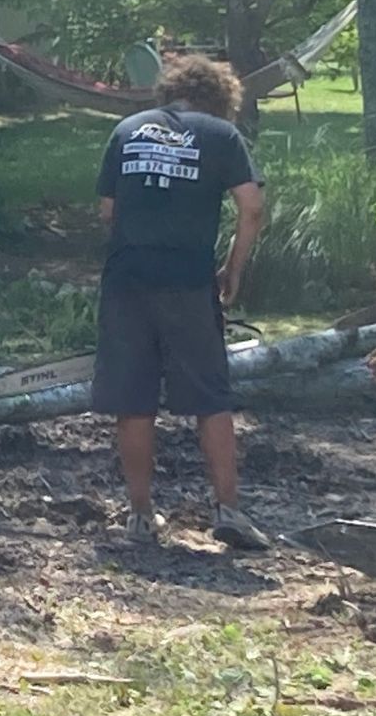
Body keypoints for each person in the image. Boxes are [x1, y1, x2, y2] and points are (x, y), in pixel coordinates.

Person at [91, 53, 270, 550]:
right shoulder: (221, 136)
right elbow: (252, 206)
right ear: (220, 99)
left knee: (134, 399)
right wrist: (232, 270)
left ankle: (142, 515)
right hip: (189, 281)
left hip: (127, 279)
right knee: (210, 397)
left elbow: (107, 211)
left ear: (170, 91)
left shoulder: (127, 129)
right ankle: (229, 510)